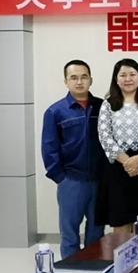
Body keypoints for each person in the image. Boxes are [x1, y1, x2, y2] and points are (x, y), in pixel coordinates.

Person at [41, 60, 105, 259]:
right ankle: (71, 272)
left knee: (97, 233)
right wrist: (61, 177)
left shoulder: (102, 107)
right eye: (74, 78)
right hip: (71, 181)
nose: (79, 82)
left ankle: (94, 271)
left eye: (84, 77)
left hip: (100, 180)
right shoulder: (55, 111)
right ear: (65, 81)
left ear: (91, 80)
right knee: (69, 234)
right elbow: (49, 148)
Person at [96, 59, 138, 233]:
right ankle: (121, 252)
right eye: (123, 75)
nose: (128, 79)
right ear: (116, 79)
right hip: (117, 168)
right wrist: (128, 163)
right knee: (120, 219)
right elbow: (104, 136)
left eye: (132, 74)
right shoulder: (108, 105)